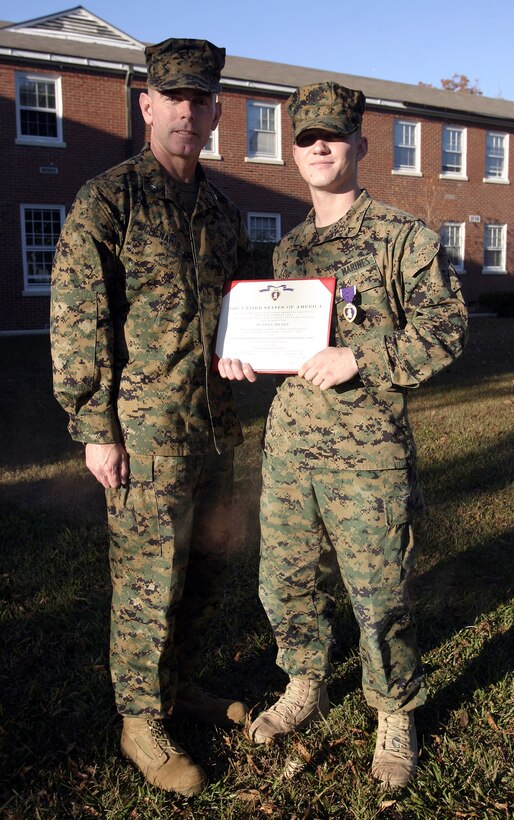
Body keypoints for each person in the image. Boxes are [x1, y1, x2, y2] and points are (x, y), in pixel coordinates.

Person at [218, 81, 468, 789]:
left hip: (369, 458)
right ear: (294, 151)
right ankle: (306, 681)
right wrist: (245, 357)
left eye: (334, 135)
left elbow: (446, 330)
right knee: (285, 583)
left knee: (379, 592)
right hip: (292, 449)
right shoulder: (290, 250)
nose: (320, 146)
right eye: (306, 137)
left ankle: (394, 710)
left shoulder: (403, 239)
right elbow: (281, 342)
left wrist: (360, 355)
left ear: (360, 145)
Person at [51, 38, 253, 797]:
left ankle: (180, 689)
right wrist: (94, 428)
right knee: (148, 584)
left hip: (214, 430)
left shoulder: (221, 208)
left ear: (215, 112)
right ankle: (140, 720)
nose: (186, 111)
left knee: (203, 576)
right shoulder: (110, 200)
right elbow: (78, 319)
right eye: (172, 96)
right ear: (146, 105)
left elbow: (251, 305)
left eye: (200, 98)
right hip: (146, 436)